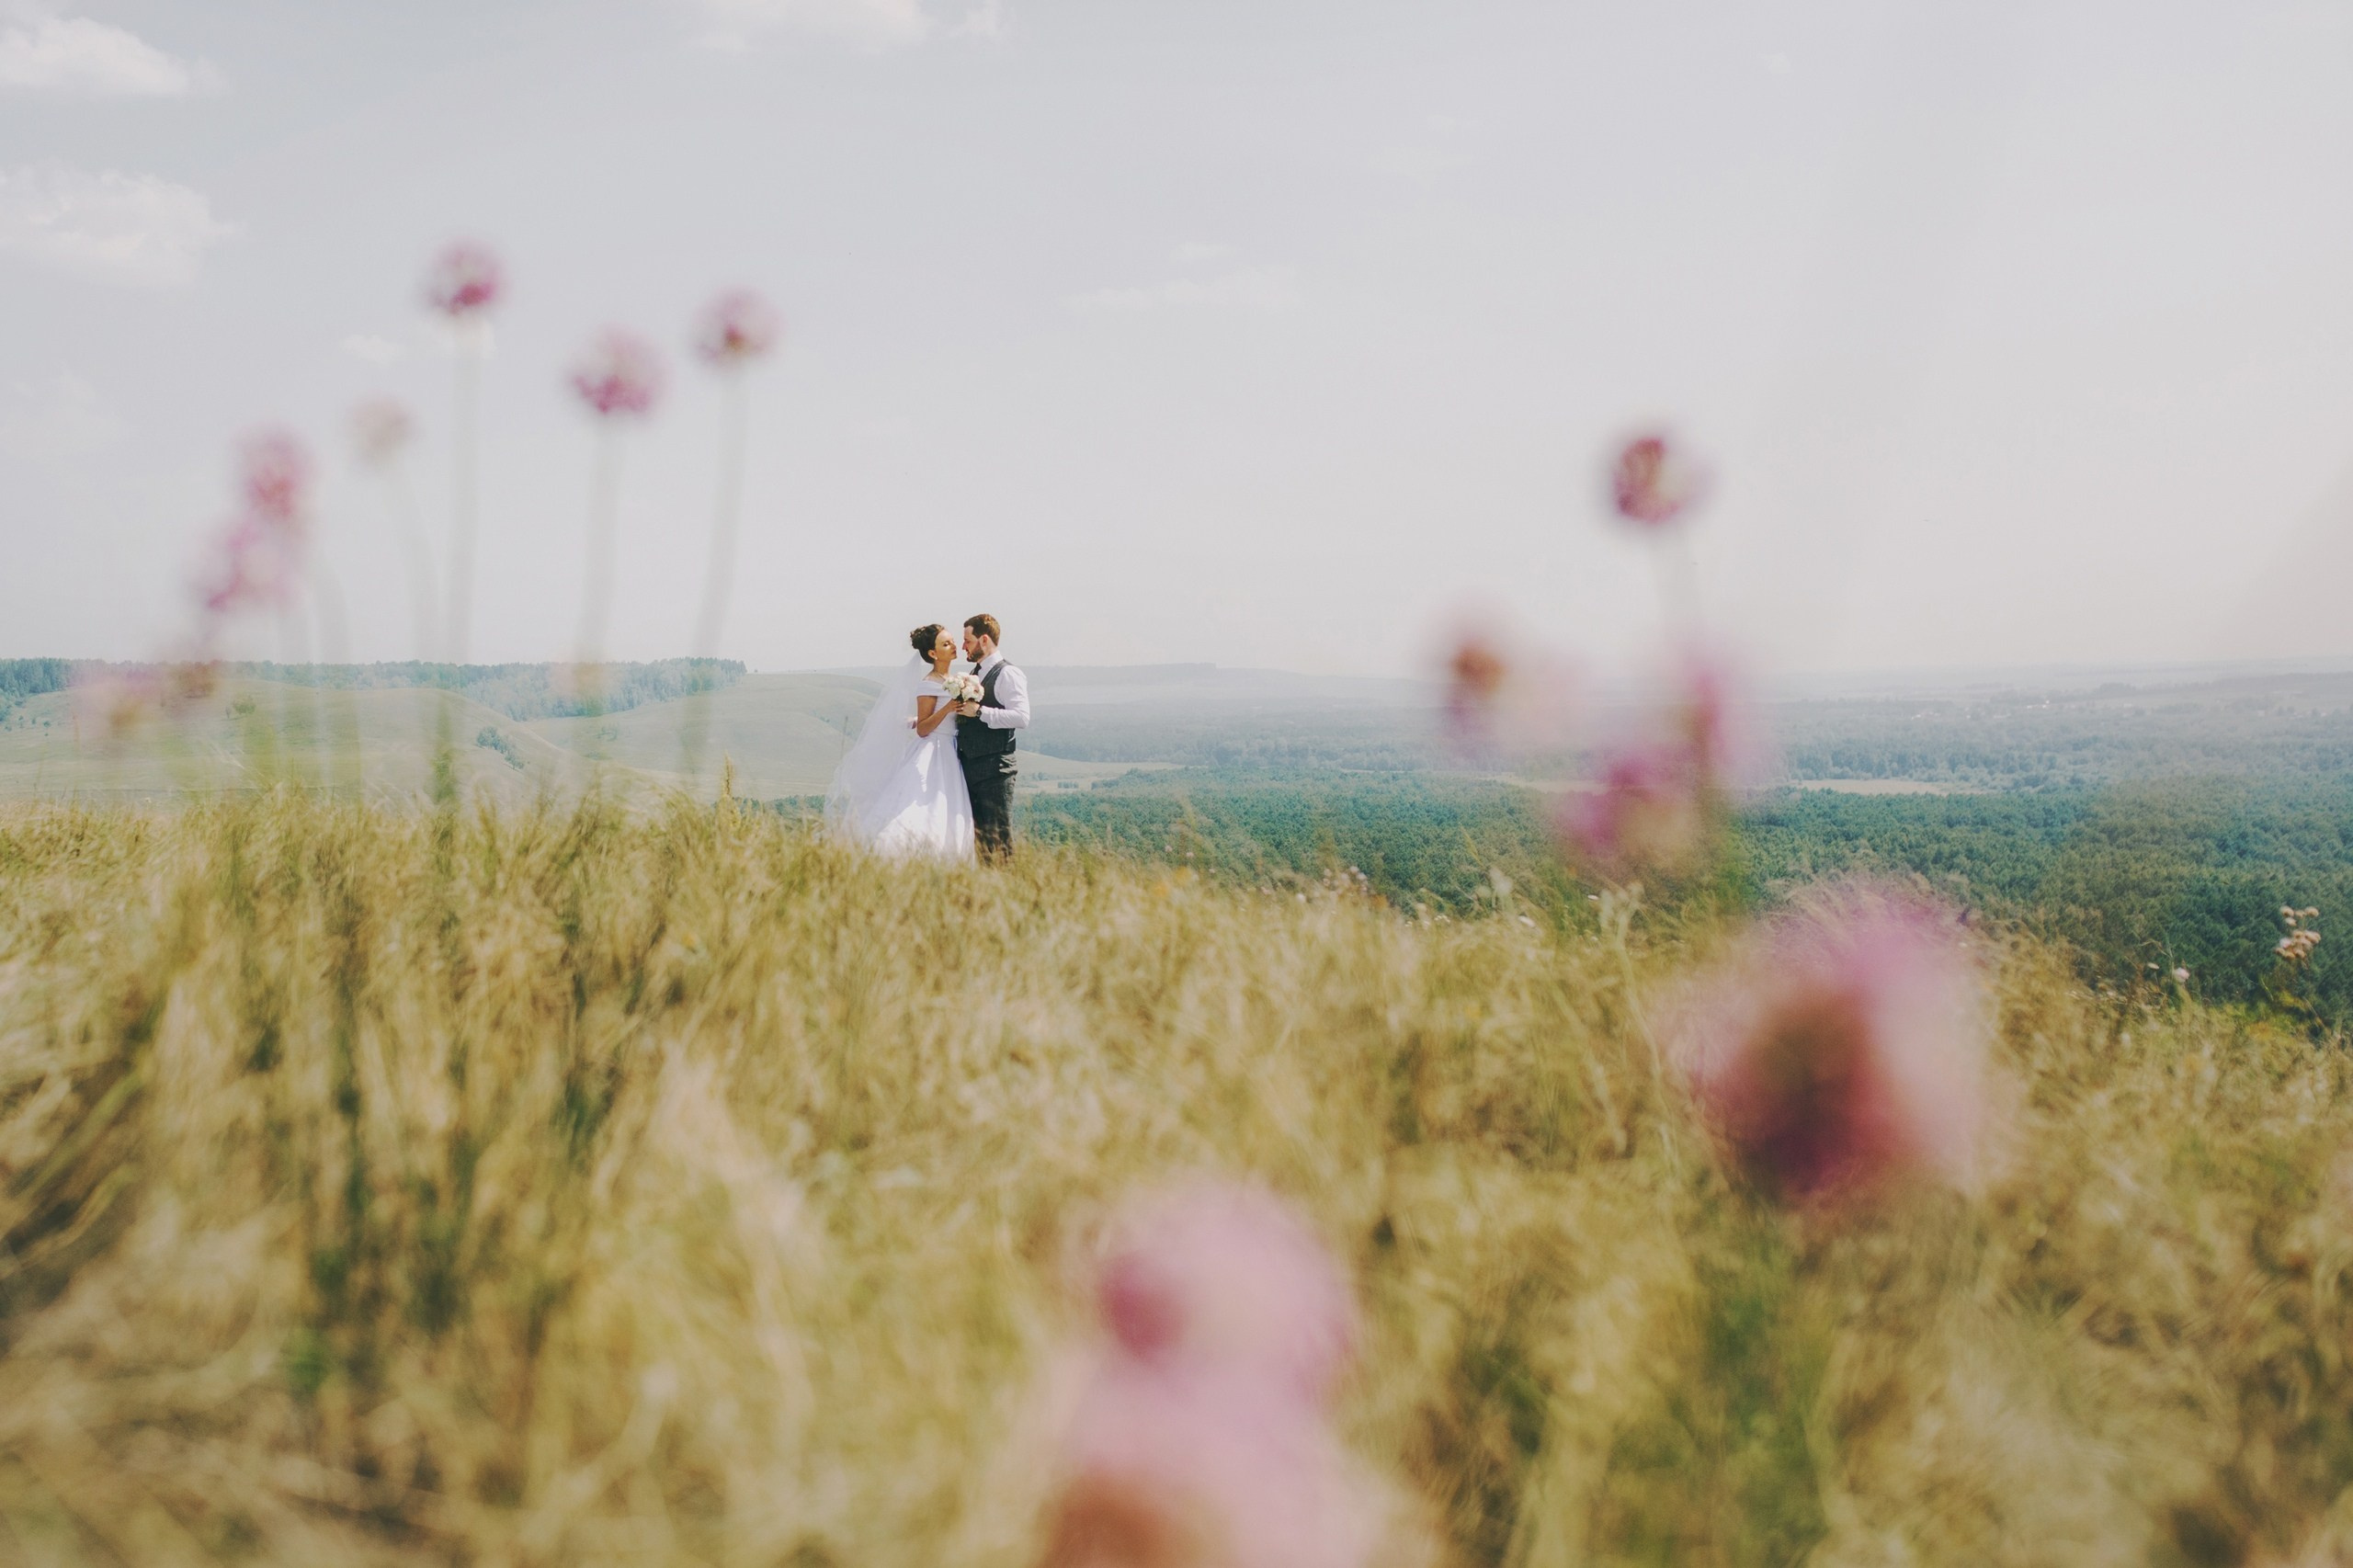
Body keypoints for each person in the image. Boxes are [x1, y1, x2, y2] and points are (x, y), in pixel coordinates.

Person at [822, 622, 976, 862]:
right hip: (933, 751)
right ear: (933, 654)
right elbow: (924, 729)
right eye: (946, 644)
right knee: (921, 809)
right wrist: (947, 708)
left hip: (951, 751)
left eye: (952, 641)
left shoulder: (955, 679)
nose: (953, 646)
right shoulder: (929, 683)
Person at [953, 613, 1029, 862]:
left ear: (984, 640)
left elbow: (1021, 717)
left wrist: (981, 712)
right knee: (979, 843)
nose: (963, 646)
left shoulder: (1008, 674)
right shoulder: (975, 673)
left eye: (968, 640)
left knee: (999, 840)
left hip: (996, 770)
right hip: (972, 768)